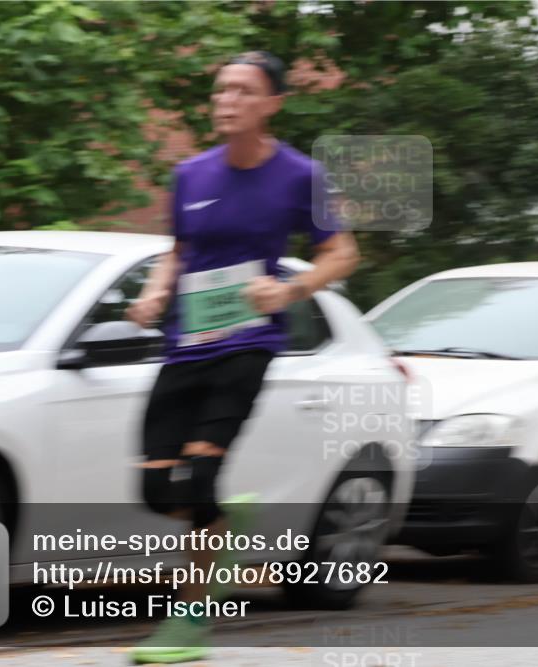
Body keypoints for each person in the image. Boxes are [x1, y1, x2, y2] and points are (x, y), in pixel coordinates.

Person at [124, 50, 359, 664]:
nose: (226, 100)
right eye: (221, 89)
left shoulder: (299, 176)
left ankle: (188, 624)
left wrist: (289, 289)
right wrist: (154, 291)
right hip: (186, 345)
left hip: (248, 344)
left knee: (198, 478)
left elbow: (342, 255)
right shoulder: (190, 174)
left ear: (272, 104)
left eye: (243, 90)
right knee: (154, 491)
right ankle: (232, 527)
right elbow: (178, 251)